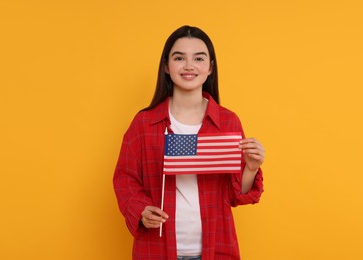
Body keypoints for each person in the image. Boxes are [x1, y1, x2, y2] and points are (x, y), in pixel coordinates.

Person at [113, 25, 265, 260]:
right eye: (179, 58)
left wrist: (251, 168)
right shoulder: (144, 123)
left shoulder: (228, 122)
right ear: (166, 65)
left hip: (216, 248)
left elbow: (236, 195)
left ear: (210, 67)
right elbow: (125, 178)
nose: (188, 66)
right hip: (157, 249)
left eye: (198, 58)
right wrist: (141, 209)